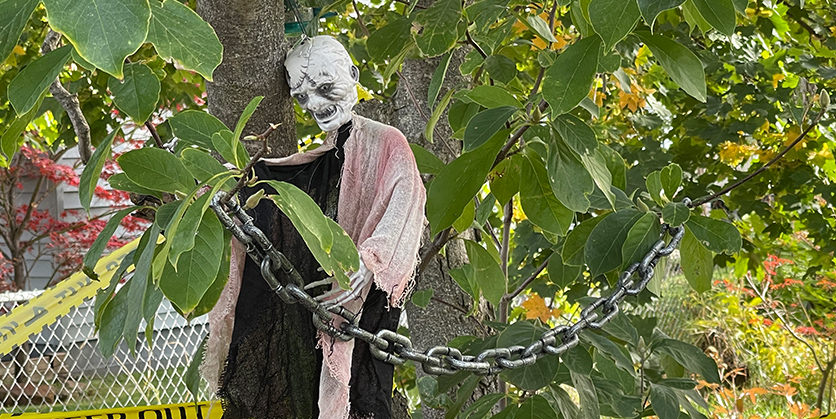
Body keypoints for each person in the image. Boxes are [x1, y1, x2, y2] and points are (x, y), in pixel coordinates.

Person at [203, 35, 426, 419]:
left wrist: (368, 264)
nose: (316, 106)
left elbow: (405, 207)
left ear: (353, 75)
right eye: (302, 97)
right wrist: (235, 184)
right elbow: (295, 175)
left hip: (358, 306)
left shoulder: (386, 141)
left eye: (325, 88)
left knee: (359, 392)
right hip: (319, 304)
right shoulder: (332, 152)